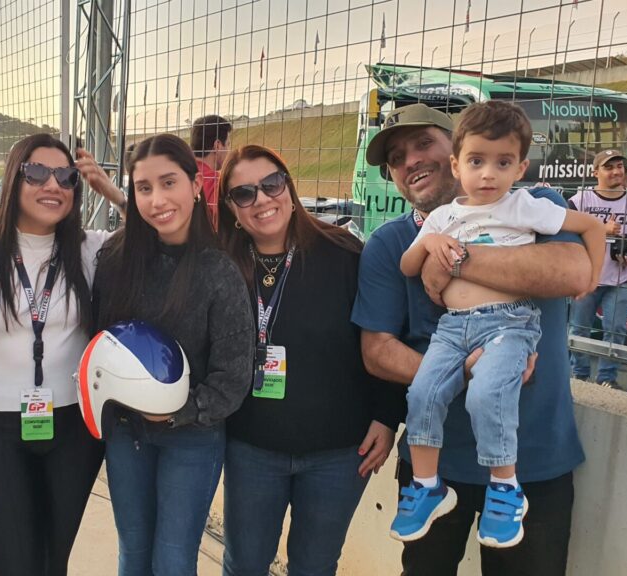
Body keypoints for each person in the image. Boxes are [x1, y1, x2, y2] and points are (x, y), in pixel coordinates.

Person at [352, 103, 590, 576]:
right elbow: (377, 351)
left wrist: (454, 259)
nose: (411, 160)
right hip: (435, 464)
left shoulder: (532, 205)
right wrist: (466, 369)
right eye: (396, 157)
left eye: (424, 144)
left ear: (456, 148)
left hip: (534, 460)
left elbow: (572, 270)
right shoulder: (389, 243)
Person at [215, 144, 402, 575]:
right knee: (244, 563)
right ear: (232, 207)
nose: (261, 200)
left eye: (271, 184)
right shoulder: (223, 268)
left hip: (340, 452)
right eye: (244, 193)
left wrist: (387, 416)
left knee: (315, 567)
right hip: (251, 449)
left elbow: (382, 338)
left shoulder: (345, 254)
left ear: (289, 185)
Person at [0, 133, 120, 576]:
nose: (53, 185)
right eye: (37, 173)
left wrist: (111, 190)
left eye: (65, 176)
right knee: (14, 566)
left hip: (74, 430)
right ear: (13, 179)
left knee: (51, 563)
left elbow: (160, 232)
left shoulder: (89, 249)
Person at [92, 133, 254, 576]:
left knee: (174, 559)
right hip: (127, 435)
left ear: (195, 184)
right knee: (134, 552)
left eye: (168, 183)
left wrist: (180, 412)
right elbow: (96, 345)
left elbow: (233, 375)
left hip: (193, 439)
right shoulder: (113, 258)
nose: (157, 199)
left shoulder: (218, 270)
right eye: (143, 188)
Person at [568, 150, 627, 388]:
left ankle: (607, 378)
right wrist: (599, 229)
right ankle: (580, 374)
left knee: (615, 328)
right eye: (609, 167)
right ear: (595, 172)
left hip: (619, 277)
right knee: (580, 329)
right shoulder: (580, 200)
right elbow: (565, 235)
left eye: (619, 166)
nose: (616, 171)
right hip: (586, 277)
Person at [189, 115, 232, 227]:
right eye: (228, 144)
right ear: (217, 146)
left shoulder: (180, 173)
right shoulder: (217, 182)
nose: (229, 150)